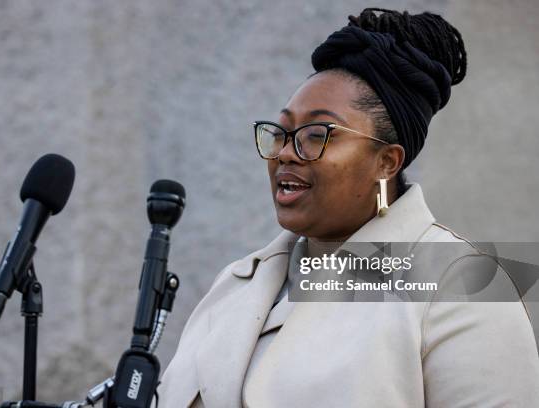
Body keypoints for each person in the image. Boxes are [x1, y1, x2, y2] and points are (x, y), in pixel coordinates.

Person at [158, 8, 539, 407]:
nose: (286, 152)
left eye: (317, 134)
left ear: (386, 162)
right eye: (282, 132)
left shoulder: (466, 285)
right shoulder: (235, 286)